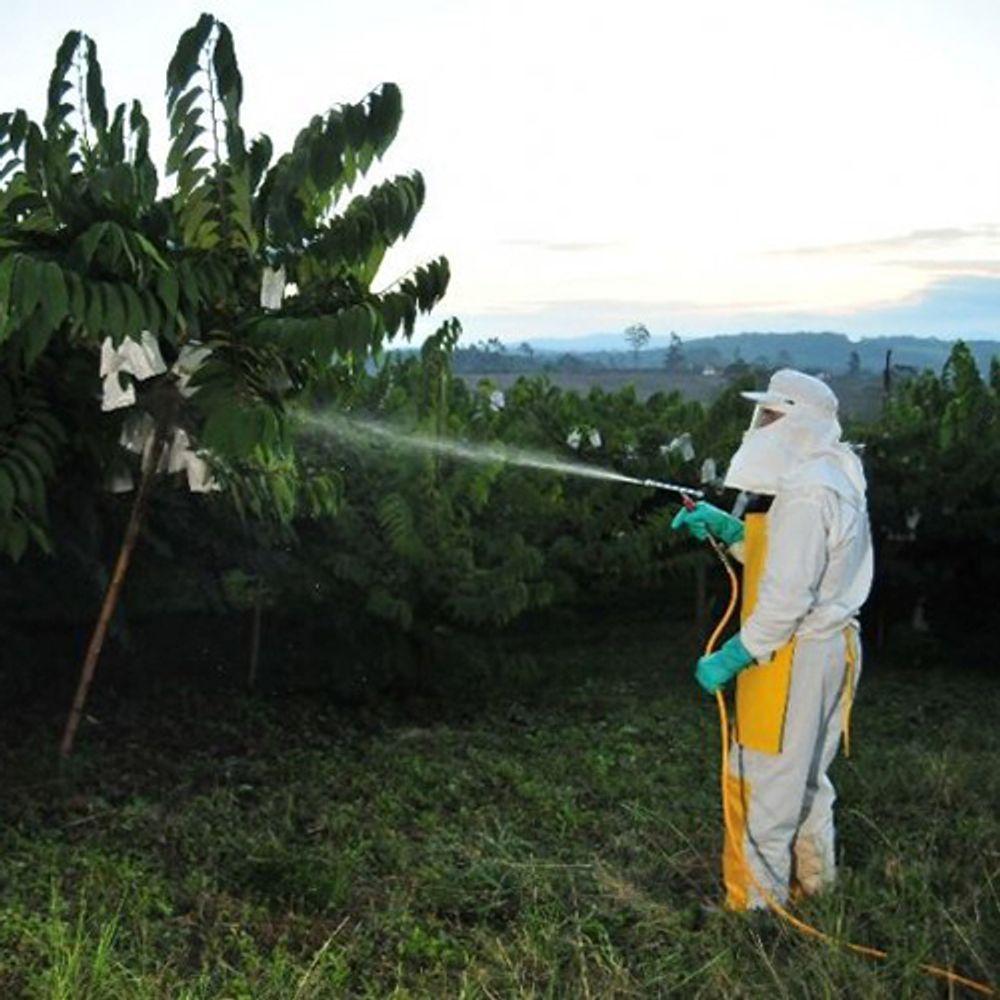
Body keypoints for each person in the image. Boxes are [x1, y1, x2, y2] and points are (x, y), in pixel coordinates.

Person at [671, 369, 873, 910]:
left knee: (765, 780)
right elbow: (802, 562)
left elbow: (784, 600)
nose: (760, 426)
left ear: (798, 421)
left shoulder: (808, 494)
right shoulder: (834, 471)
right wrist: (734, 533)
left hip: (794, 655)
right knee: (806, 776)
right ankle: (817, 885)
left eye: (771, 416)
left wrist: (734, 654)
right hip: (832, 647)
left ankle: (755, 910)